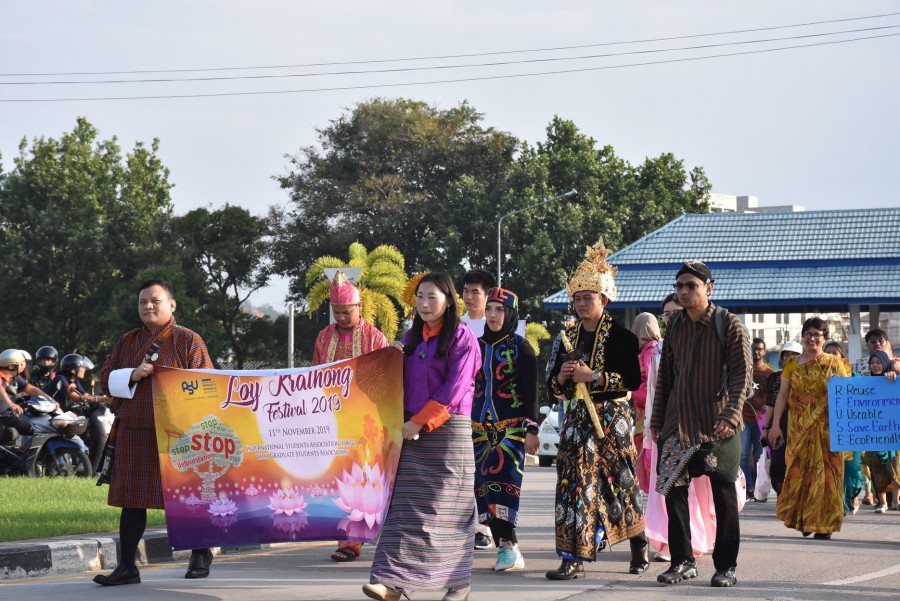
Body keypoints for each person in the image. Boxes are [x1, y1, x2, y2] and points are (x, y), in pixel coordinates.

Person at [364, 272, 480, 601]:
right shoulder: (411, 338)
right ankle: (390, 582)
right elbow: (393, 383)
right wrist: (392, 358)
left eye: (432, 297)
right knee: (404, 509)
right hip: (410, 432)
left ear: (449, 300)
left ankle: (459, 584)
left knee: (448, 513)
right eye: (420, 297)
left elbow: (455, 389)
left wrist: (421, 421)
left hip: (448, 434)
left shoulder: (462, 337)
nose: (425, 304)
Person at [92, 279, 214, 586]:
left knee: (188, 496)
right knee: (131, 498)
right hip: (133, 429)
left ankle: (200, 554)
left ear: (171, 304)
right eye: (143, 302)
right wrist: (132, 374)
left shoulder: (189, 340)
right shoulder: (127, 341)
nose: (148, 306)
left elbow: (208, 384)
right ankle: (127, 567)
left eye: (155, 301)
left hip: (179, 433)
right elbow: (105, 378)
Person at [544, 239, 645, 581]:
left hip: (612, 421)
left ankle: (639, 541)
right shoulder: (566, 338)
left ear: (604, 299)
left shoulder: (622, 337)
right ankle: (572, 557)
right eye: (578, 297)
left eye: (590, 297)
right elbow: (554, 388)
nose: (583, 303)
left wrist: (595, 376)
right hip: (576, 422)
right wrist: (562, 376)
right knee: (574, 484)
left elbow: (631, 379)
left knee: (620, 484)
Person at [650, 260, 752, 588]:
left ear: (709, 288)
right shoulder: (676, 323)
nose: (683, 292)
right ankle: (682, 562)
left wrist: (731, 414)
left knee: (724, 497)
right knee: (673, 492)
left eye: (691, 286)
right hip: (677, 426)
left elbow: (742, 375)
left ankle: (726, 567)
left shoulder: (729, 324)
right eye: (679, 286)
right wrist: (656, 419)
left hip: (718, 426)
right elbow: (666, 374)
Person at [312, 270, 389, 562]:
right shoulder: (323, 337)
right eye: (336, 312)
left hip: (366, 422)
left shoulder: (374, 336)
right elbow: (314, 376)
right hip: (333, 421)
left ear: (359, 308)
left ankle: (354, 541)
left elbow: (385, 378)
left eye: (347, 311)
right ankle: (347, 536)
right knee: (338, 480)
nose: (342, 317)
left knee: (361, 480)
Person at [472, 286, 539, 572]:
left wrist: (532, 428)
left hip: (511, 432)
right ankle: (505, 547)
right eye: (489, 308)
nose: (493, 314)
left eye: (500, 309)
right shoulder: (474, 345)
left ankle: (509, 548)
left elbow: (532, 391)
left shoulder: (521, 347)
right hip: (478, 431)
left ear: (510, 313)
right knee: (485, 491)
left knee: (505, 490)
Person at [767, 317, 851, 540]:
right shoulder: (792, 364)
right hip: (799, 429)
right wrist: (774, 426)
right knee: (799, 474)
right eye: (808, 334)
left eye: (817, 334)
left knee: (829, 477)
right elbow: (782, 396)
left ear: (824, 338)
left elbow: (848, 394)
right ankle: (805, 519)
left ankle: (825, 524)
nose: (812, 338)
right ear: (802, 337)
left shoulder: (836, 363)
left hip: (829, 429)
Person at [458, 267, 498, 551]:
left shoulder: (498, 327)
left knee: (486, 471)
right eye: (466, 291)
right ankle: (467, 526)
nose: (469, 297)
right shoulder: (454, 327)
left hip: (490, 411)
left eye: (476, 292)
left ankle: (485, 526)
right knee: (461, 470)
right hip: (459, 410)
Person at [823, 341, 863, 516]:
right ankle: (838, 505)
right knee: (832, 470)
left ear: (842, 356)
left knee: (853, 472)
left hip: (851, 431)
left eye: (835, 352)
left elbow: (868, 397)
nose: (832, 356)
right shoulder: (817, 376)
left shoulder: (854, 377)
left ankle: (850, 498)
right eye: (828, 352)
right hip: (826, 430)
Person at [862, 350, 900, 513]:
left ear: (885, 364)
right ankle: (882, 502)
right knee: (877, 468)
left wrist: (893, 376)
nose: (875, 366)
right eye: (873, 363)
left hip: (892, 431)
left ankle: (896, 502)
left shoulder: (893, 380)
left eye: (879, 362)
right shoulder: (863, 383)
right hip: (873, 433)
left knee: (895, 467)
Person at [762, 340, 802, 496]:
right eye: (786, 354)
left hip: (801, 422)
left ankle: (796, 498)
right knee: (778, 462)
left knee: (798, 462)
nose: (789, 358)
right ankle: (782, 495)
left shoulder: (807, 377)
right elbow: (771, 403)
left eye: (794, 355)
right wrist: (767, 428)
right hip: (779, 422)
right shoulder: (775, 377)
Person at [742, 339, 773, 500]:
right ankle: (748, 488)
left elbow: (773, 397)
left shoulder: (770, 373)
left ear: (764, 352)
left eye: (759, 349)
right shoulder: (744, 370)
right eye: (754, 349)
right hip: (744, 418)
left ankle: (759, 490)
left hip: (761, 422)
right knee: (743, 454)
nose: (756, 352)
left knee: (759, 456)